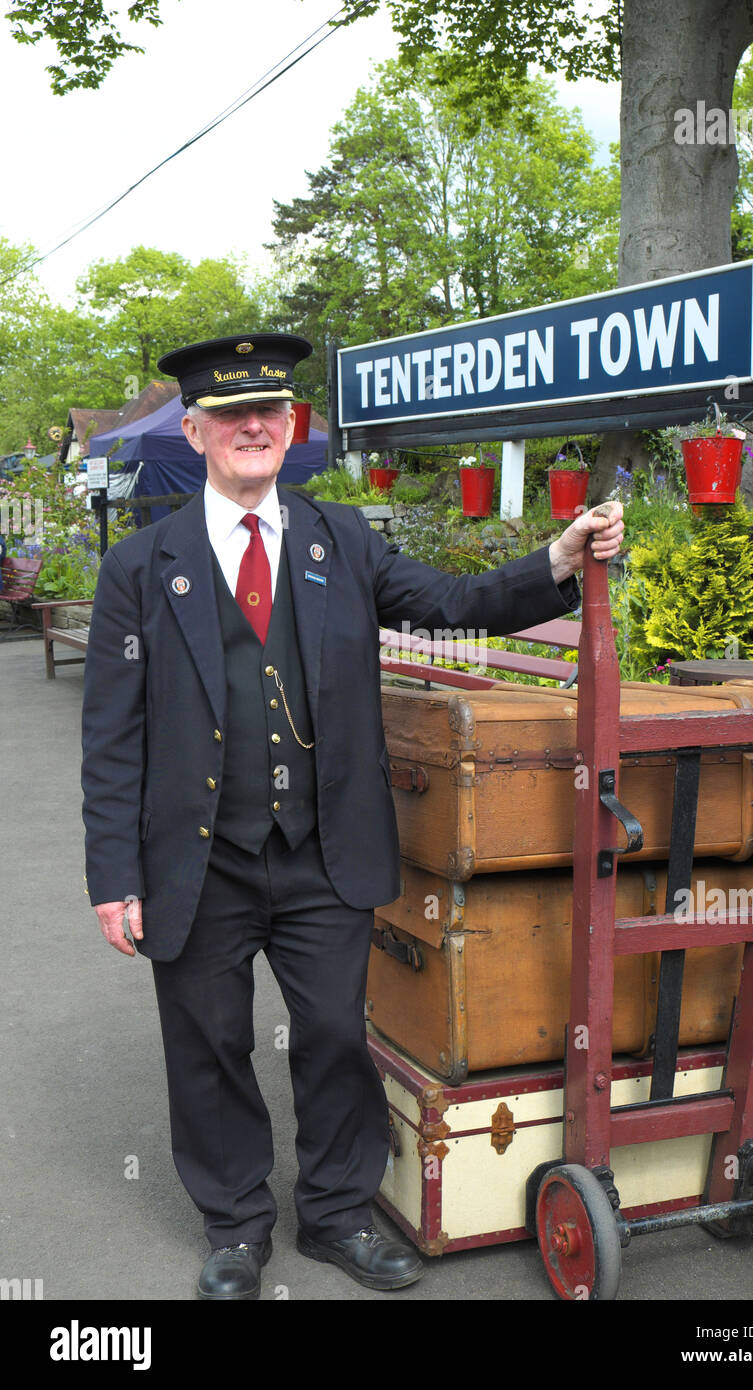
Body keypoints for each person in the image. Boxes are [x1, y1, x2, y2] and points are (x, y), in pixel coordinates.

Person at [81, 332, 624, 1301]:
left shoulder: (344, 540)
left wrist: (553, 555)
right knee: (208, 1045)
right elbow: (112, 734)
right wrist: (113, 878)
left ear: (290, 429)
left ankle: (334, 1213)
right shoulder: (139, 564)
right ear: (198, 431)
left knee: (332, 1034)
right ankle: (236, 1225)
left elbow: (455, 602)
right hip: (193, 859)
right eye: (232, 414)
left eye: (271, 413)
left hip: (323, 851)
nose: (254, 427)